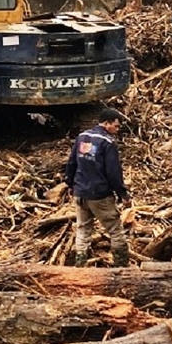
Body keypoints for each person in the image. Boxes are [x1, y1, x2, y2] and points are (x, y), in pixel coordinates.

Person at [64, 107, 131, 267]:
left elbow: (72, 163)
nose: (117, 129)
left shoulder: (82, 137)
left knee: (83, 229)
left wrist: (70, 184)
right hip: (100, 195)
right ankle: (122, 267)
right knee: (115, 230)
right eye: (116, 126)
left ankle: (80, 265)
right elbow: (113, 172)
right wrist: (123, 194)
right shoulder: (107, 143)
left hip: (80, 192)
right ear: (107, 123)